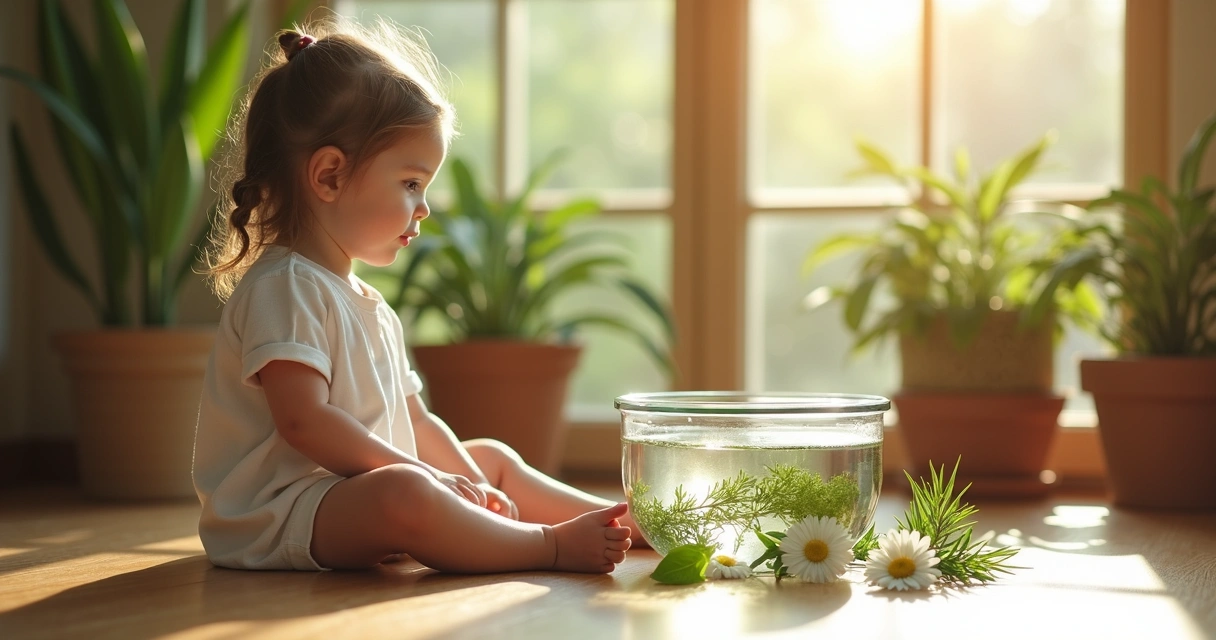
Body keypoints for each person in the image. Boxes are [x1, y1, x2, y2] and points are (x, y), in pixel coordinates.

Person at [194, 17, 638, 573]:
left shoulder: (368, 304)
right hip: (281, 513)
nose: (424, 207)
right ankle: (546, 545)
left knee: (491, 459)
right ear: (329, 176)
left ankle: (622, 520)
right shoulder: (284, 286)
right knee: (405, 490)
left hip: (350, 495)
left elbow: (418, 422)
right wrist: (428, 477)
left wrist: (471, 484)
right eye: (410, 184)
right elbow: (305, 422)